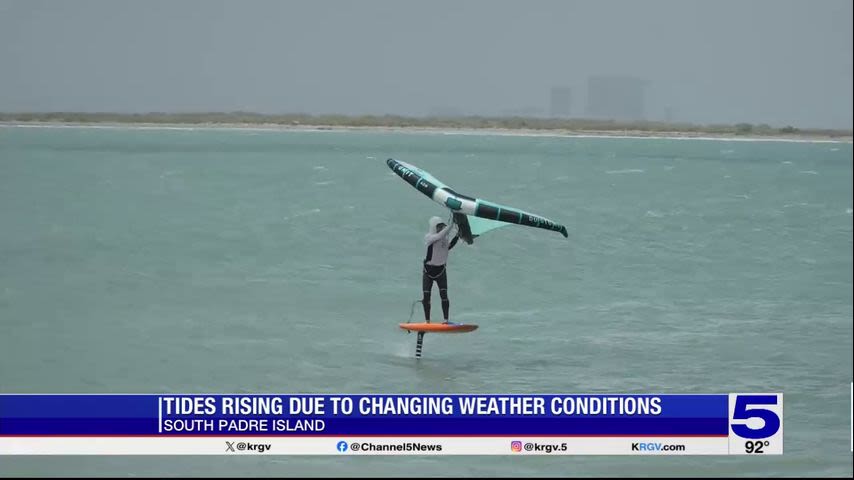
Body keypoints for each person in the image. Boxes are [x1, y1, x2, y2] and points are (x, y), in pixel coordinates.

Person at [422, 216, 460, 323]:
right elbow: (439, 235)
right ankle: (427, 321)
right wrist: (451, 224)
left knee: (444, 295)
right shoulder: (429, 237)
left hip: (441, 271)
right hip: (428, 271)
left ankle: (446, 320)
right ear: (433, 227)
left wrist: (457, 235)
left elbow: (449, 246)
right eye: (439, 227)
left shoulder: (443, 239)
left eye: (442, 226)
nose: (441, 228)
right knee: (426, 296)